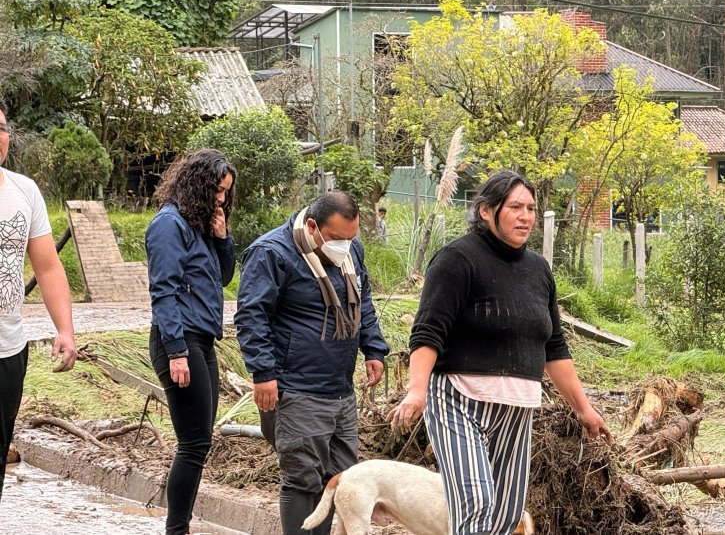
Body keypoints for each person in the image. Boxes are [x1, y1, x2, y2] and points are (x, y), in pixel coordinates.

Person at [387, 169, 611, 535]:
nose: (526, 217)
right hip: (458, 399)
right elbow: (428, 331)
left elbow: (554, 347)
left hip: (517, 406)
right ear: (486, 211)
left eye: (532, 208)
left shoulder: (539, 270)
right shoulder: (456, 260)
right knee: (476, 507)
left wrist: (583, 409)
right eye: (515, 207)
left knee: (506, 516)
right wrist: (416, 390)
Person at [235, 191, 388, 535]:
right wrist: (263, 373)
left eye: (351, 238)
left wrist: (373, 349)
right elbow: (251, 316)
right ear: (312, 226)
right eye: (336, 238)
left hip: (339, 388)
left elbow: (362, 303)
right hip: (296, 387)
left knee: (338, 478)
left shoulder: (350, 252)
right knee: (303, 477)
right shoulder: (272, 253)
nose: (344, 246)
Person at [145, 149, 237, 535]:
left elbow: (223, 278)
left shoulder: (200, 226)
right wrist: (177, 352)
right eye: (216, 190)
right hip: (179, 341)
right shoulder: (169, 224)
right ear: (197, 184)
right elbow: (163, 291)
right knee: (193, 442)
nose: (220, 199)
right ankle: (176, 529)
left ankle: (179, 526)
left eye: (226, 193)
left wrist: (223, 237)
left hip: (203, 340)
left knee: (200, 440)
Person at [0, 99, 77, 502]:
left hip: (8, 349)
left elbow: (47, 267)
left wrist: (64, 329)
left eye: (1, 127)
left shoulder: (23, 190)